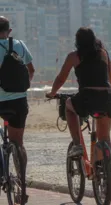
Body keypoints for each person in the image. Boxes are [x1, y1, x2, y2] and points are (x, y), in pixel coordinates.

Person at [47, 27, 111, 158]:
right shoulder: (103, 53)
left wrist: (52, 93)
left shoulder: (73, 56)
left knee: (68, 105)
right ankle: (107, 171)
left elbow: (61, 78)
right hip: (106, 97)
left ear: (77, 41)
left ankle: (77, 144)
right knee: (105, 138)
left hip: (87, 97)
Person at [0, 16, 35, 200]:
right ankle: (22, 182)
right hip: (19, 102)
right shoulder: (20, 45)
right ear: (9, 31)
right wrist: (23, 88)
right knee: (18, 143)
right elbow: (31, 70)